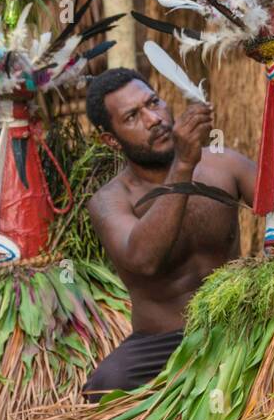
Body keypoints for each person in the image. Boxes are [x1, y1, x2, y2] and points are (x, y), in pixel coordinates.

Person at [83, 68, 256, 397]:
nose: (153, 119)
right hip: (162, 345)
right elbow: (143, 259)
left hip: (240, 325)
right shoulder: (109, 201)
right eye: (133, 116)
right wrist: (183, 167)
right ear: (110, 139)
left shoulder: (225, 164)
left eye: (153, 102)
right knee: (104, 389)